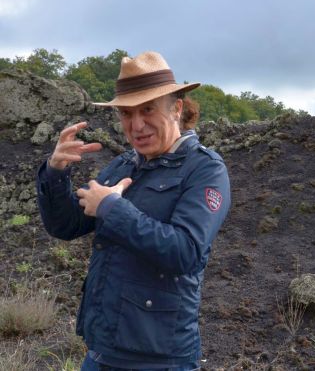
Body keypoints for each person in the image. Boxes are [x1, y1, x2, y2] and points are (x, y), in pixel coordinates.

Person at [36, 51, 231, 370]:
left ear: (177, 108)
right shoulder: (124, 164)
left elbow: (186, 252)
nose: (136, 125)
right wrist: (55, 172)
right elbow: (65, 225)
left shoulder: (205, 170)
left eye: (147, 110)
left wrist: (112, 208)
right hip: (101, 350)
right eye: (126, 113)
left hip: (159, 359)